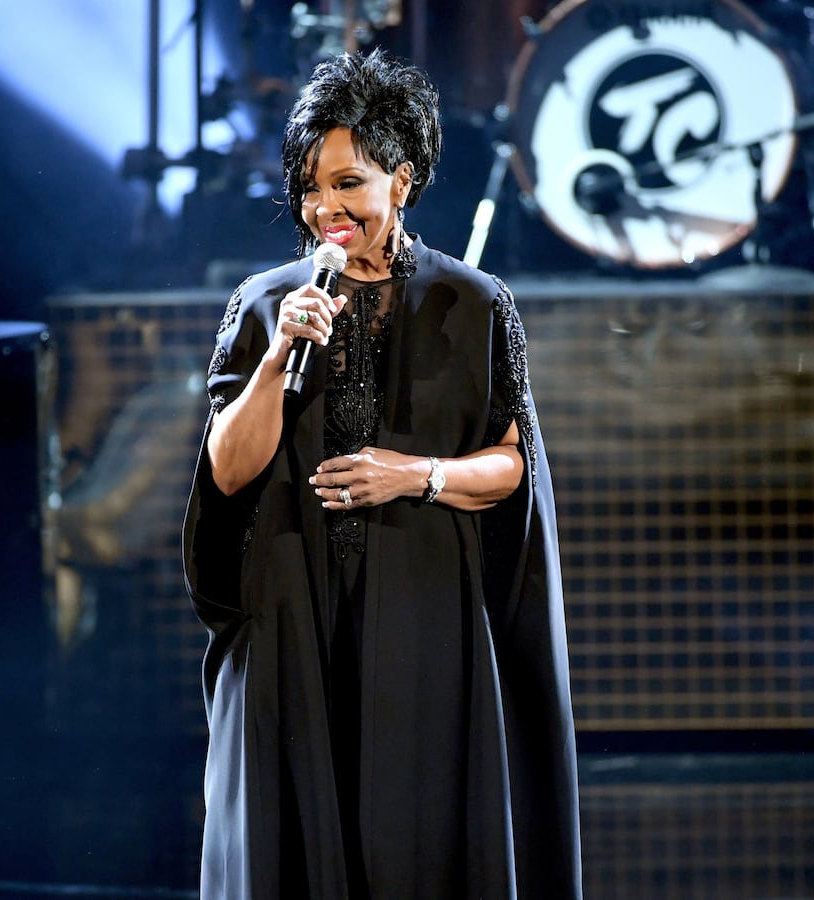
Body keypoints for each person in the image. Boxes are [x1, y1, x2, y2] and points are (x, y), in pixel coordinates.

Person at [181, 47, 581, 899]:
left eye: (348, 183)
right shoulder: (264, 303)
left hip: (424, 615)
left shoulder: (475, 305)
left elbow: (513, 466)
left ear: (401, 182)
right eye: (311, 187)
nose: (325, 207)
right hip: (291, 611)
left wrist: (419, 475)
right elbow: (226, 469)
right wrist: (280, 350)